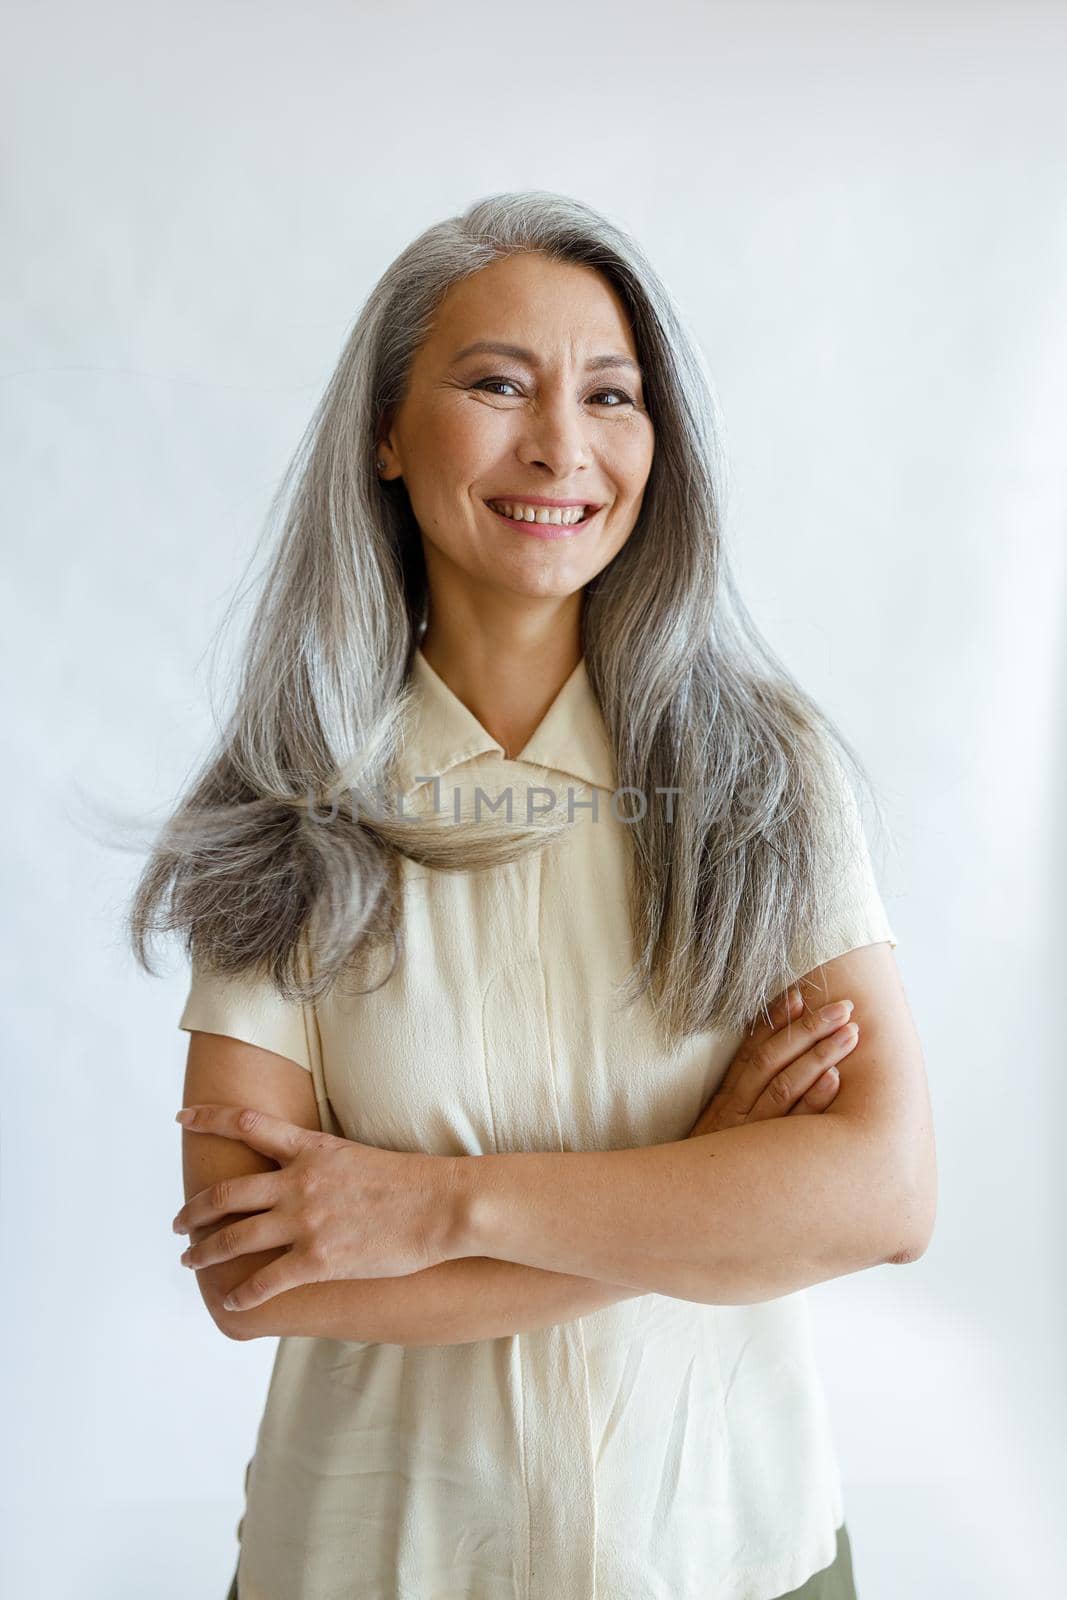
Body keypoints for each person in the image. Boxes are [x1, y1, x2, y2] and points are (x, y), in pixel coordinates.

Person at [131, 190, 936, 1600]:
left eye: (611, 395)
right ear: (385, 433)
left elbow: (884, 1195)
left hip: (735, 1559)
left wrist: (438, 1212)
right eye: (498, 383)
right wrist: (707, 1198)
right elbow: (260, 1278)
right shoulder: (282, 810)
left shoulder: (767, 775)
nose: (561, 444)